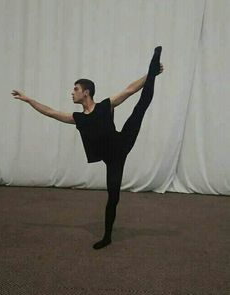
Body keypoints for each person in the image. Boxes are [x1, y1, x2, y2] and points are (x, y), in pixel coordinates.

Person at [12, 46, 163, 250]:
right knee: (113, 197)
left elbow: (129, 90)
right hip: (113, 159)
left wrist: (150, 74)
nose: (71, 93)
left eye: (75, 89)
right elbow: (50, 112)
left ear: (86, 92)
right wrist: (29, 99)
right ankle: (107, 236)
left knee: (141, 106)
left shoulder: (104, 106)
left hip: (123, 141)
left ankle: (153, 62)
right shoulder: (79, 119)